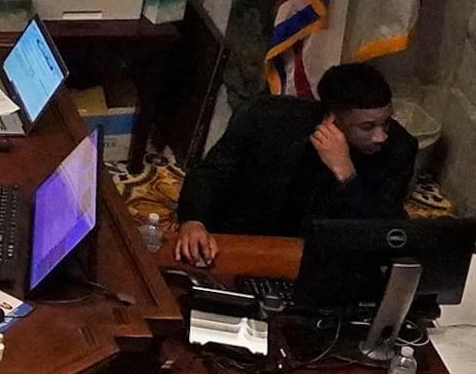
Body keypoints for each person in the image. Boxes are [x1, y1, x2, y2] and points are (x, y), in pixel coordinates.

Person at [172, 60, 419, 268]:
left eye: (386, 122)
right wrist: (193, 220)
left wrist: (346, 174)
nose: (381, 136)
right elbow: (212, 174)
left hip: (327, 263)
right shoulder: (268, 118)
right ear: (332, 119)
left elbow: (381, 233)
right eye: (367, 126)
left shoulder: (399, 149)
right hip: (250, 242)